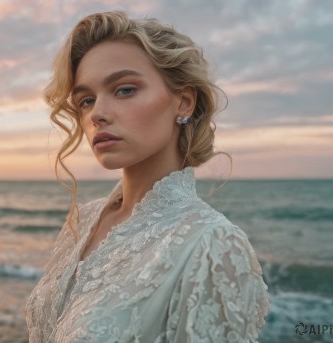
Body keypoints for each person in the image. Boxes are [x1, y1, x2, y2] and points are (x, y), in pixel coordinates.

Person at [25, 11, 270, 342]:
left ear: (183, 102)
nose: (97, 113)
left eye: (124, 90)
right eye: (86, 100)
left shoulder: (212, 246)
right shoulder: (82, 221)